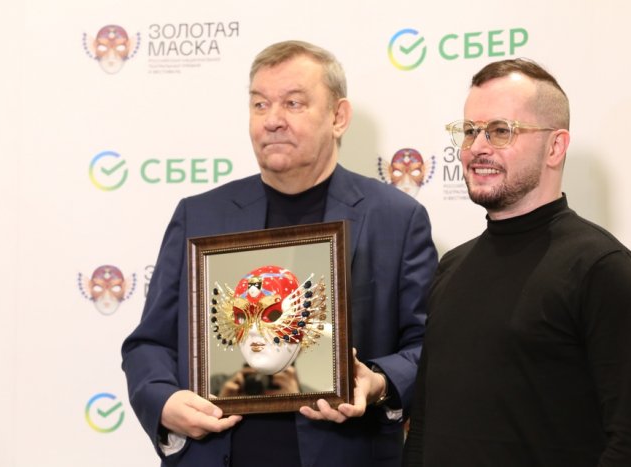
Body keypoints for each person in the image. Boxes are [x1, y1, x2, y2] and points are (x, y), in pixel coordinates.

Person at [121, 40, 438, 467]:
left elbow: (428, 347)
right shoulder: (198, 216)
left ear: (338, 117)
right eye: (259, 104)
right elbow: (149, 342)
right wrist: (162, 400)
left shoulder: (397, 218)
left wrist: (378, 381)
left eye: (293, 103)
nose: (272, 120)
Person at [403, 58, 631, 466]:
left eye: (500, 130)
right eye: (470, 131)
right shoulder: (452, 267)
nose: (477, 147)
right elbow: (423, 425)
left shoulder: (603, 270)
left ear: (555, 147)